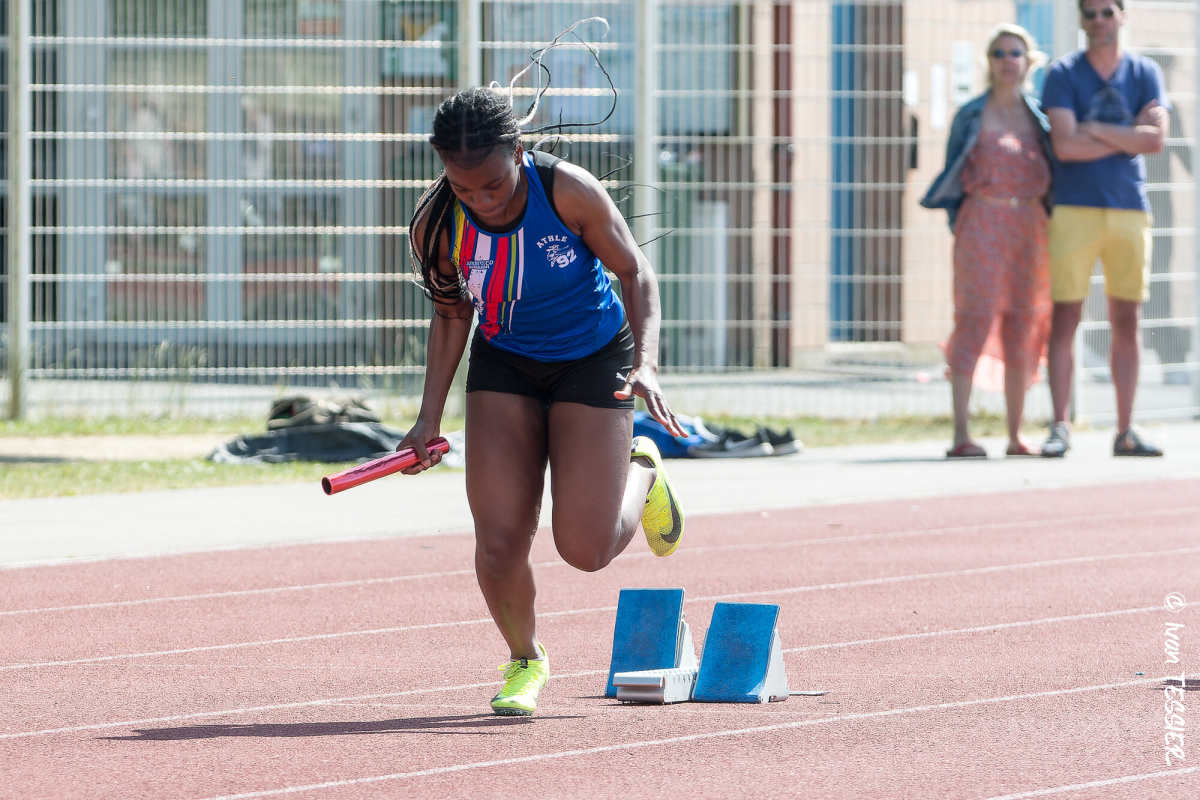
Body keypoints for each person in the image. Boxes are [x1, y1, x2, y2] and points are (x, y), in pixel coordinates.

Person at [398, 86, 687, 717]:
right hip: (505, 363)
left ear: (518, 152)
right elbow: (452, 316)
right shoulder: (437, 225)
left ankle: (642, 469)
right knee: (498, 543)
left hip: (592, 358)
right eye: (464, 188)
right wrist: (426, 420)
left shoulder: (569, 191)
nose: (482, 201)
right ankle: (525, 658)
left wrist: (646, 364)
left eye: (493, 186)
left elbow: (634, 271)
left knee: (585, 550)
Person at [1039, 0, 1169, 457]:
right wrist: (1126, 133)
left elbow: (1155, 140)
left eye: (1107, 12)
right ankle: (1060, 426)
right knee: (1065, 317)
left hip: (1129, 209)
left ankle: (1125, 430)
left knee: (1127, 320)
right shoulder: (1062, 73)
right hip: (1073, 209)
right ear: (1081, 20)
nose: (1099, 21)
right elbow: (1065, 147)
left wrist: (1091, 127)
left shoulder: (1145, 72)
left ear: (1122, 16)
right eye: (1090, 13)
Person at [920, 24, 1053, 459]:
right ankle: (961, 434)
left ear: (1029, 61)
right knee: (973, 318)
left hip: (1031, 228)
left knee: (1022, 325)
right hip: (981, 224)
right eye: (998, 53)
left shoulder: (1042, 117)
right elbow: (953, 174)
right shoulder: (971, 114)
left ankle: (1016, 435)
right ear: (989, 62)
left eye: (1015, 53)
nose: (1007, 61)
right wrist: (965, 224)